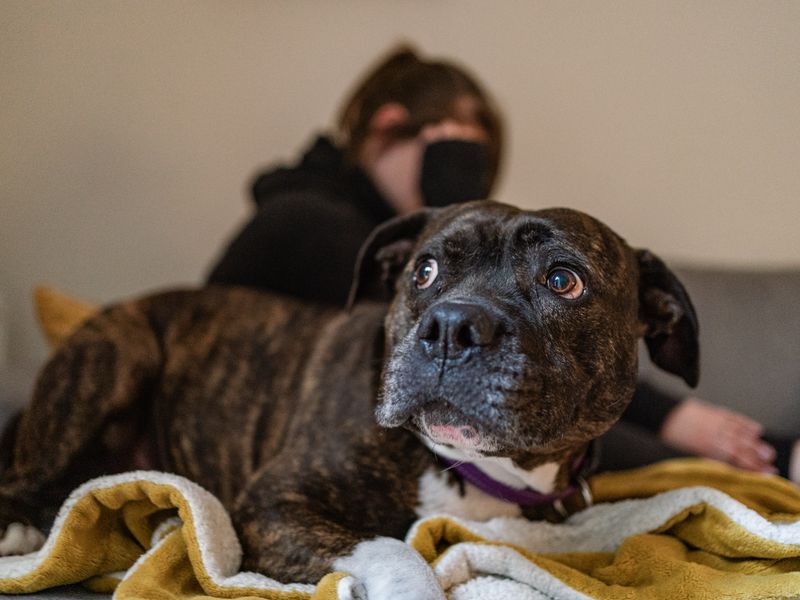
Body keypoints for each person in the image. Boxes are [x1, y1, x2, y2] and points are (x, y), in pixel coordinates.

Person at [207, 44, 798, 483]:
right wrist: (676, 418)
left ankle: (777, 455)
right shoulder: (301, 221)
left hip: (449, 425)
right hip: (266, 427)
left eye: (480, 165)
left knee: (564, 425)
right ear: (389, 127)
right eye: (460, 154)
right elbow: (423, 314)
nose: (473, 177)